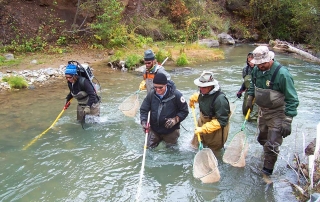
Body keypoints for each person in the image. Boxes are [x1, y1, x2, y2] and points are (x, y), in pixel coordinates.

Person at [246, 46, 299, 176]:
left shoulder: (282, 74)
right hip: (263, 111)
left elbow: (292, 99)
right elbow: (253, 84)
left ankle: (267, 173)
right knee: (262, 139)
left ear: (270, 59)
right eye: (258, 64)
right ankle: (267, 156)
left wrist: (288, 120)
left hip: (278, 113)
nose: (260, 66)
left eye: (263, 63)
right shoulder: (256, 71)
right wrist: (250, 97)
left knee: (272, 145)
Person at [140, 73, 189, 148]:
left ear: (166, 85)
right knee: (146, 149)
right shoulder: (151, 94)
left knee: (171, 153)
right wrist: (144, 121)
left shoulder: (176, 95)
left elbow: (184, 111)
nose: (158, 90)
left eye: (160, 87)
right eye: (155, 87)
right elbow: (144, 110)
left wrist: (175, 120)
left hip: (171, 131)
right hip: (154, 130)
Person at [189, 71, 232, 152]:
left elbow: (222, 121)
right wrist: (193, 99)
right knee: (194, 147)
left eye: (204, 87)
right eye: (200, 86)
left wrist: (203, 129)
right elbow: (201, 97)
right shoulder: (203, 93)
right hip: (202, 124)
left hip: (216, 132)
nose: (201, 89)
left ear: (211, 86)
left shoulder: (220, 100)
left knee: (213, 153)